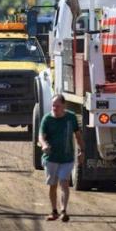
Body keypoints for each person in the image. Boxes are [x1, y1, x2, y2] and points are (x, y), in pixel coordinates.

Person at [38, 94, 84, 222]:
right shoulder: (47, 119)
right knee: (53, 185)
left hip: (67, 158)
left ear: (64, 106)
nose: (54, 108)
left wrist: (82, 151)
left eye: (57, 106)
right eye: (53, 105)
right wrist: (44, 144)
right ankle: (54, 211)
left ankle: (64, 211)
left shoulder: (71, 118)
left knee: (64, 183)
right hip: (51, 158)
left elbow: (78, 135)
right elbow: (41, 136)